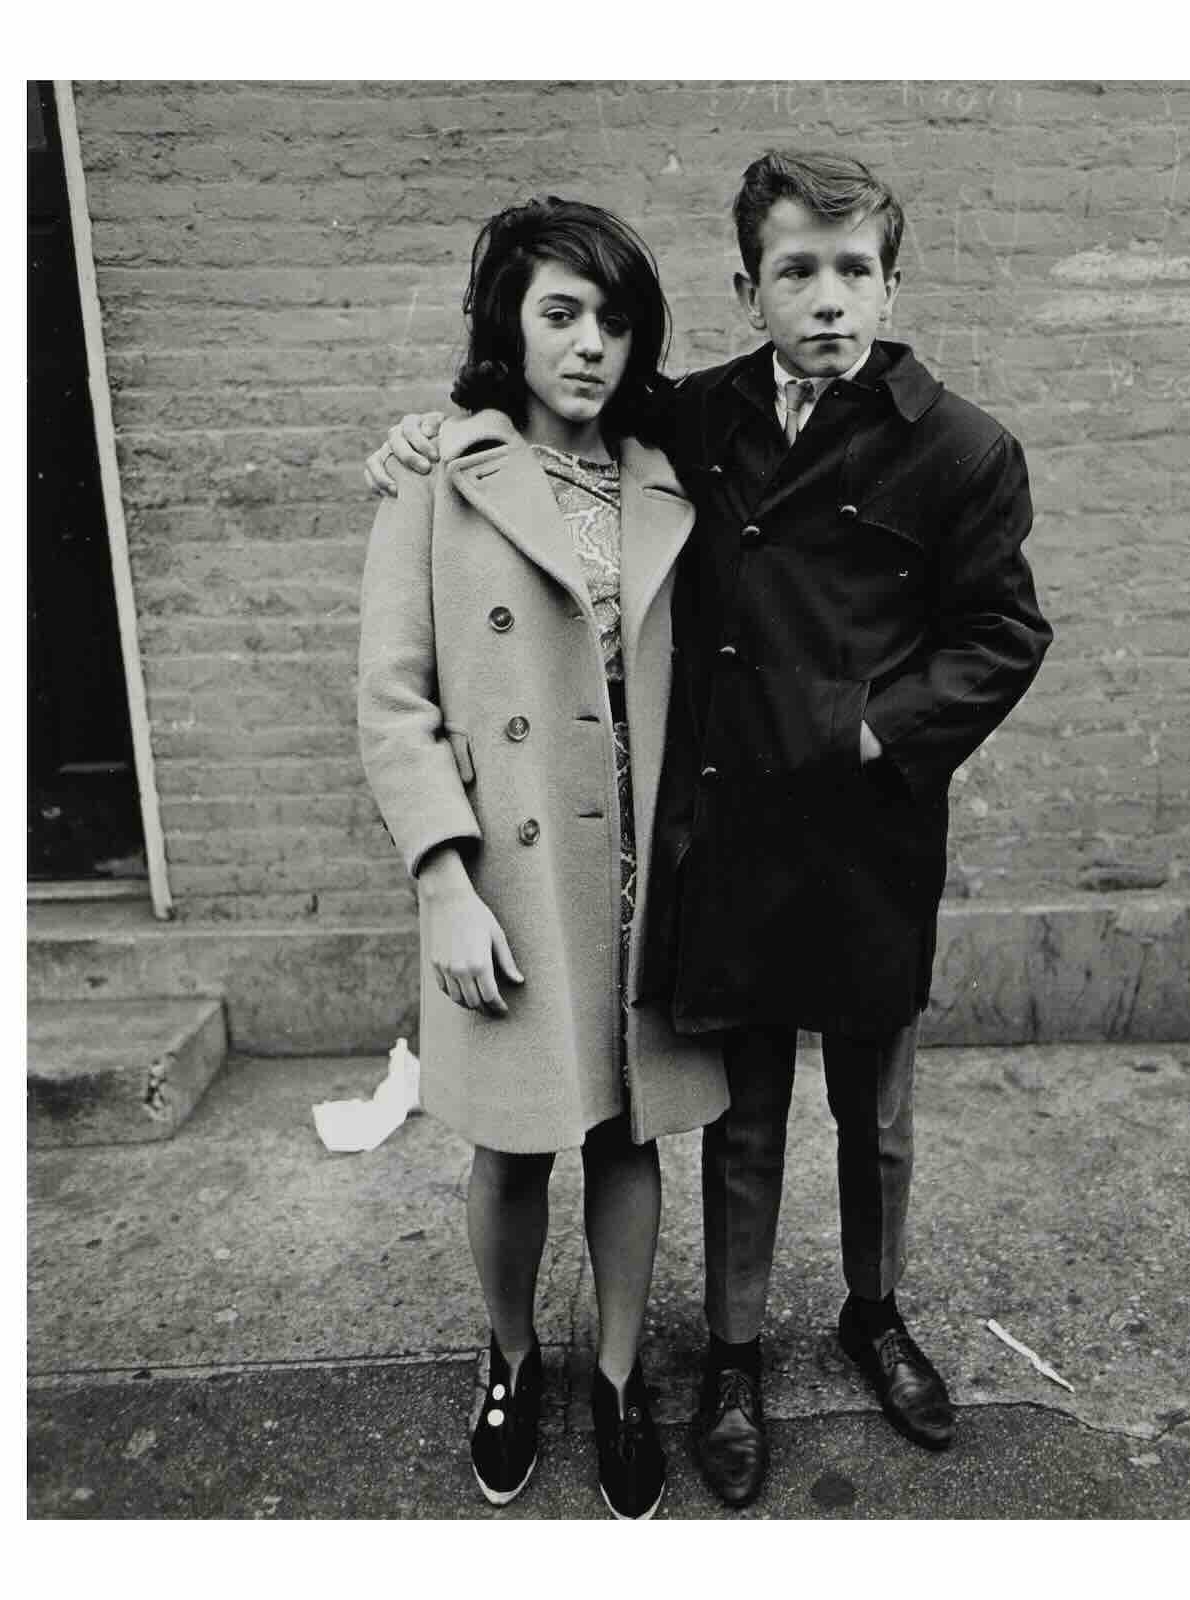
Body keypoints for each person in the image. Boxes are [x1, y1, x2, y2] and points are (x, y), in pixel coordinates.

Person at [364, 150, 1053, 1510]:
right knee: (717, 1122)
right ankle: (697, 1360)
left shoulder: (954, 446)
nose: (829, 300)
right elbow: (433, 631)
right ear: (749, 288)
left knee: (869, 1114)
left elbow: (1003, 631)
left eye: (856, 270)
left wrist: (876, 733)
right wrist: (423, 432)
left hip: (848, 833)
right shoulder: (694, 422)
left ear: (892, 284)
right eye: (796, 270)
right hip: (692, 843)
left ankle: (859, 1317)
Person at [356, 195, 727, 1520]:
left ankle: (620, 1378)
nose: (590, 344)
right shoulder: (439, 476)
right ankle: (510, 1356)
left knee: (631, 1136)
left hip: (648, 875)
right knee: (514, 1144)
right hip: (508, 879)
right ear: (506, 323)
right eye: (560, 313)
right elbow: (393, 698)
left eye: (615, 320)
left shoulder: (671, 470)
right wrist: (443, 883)